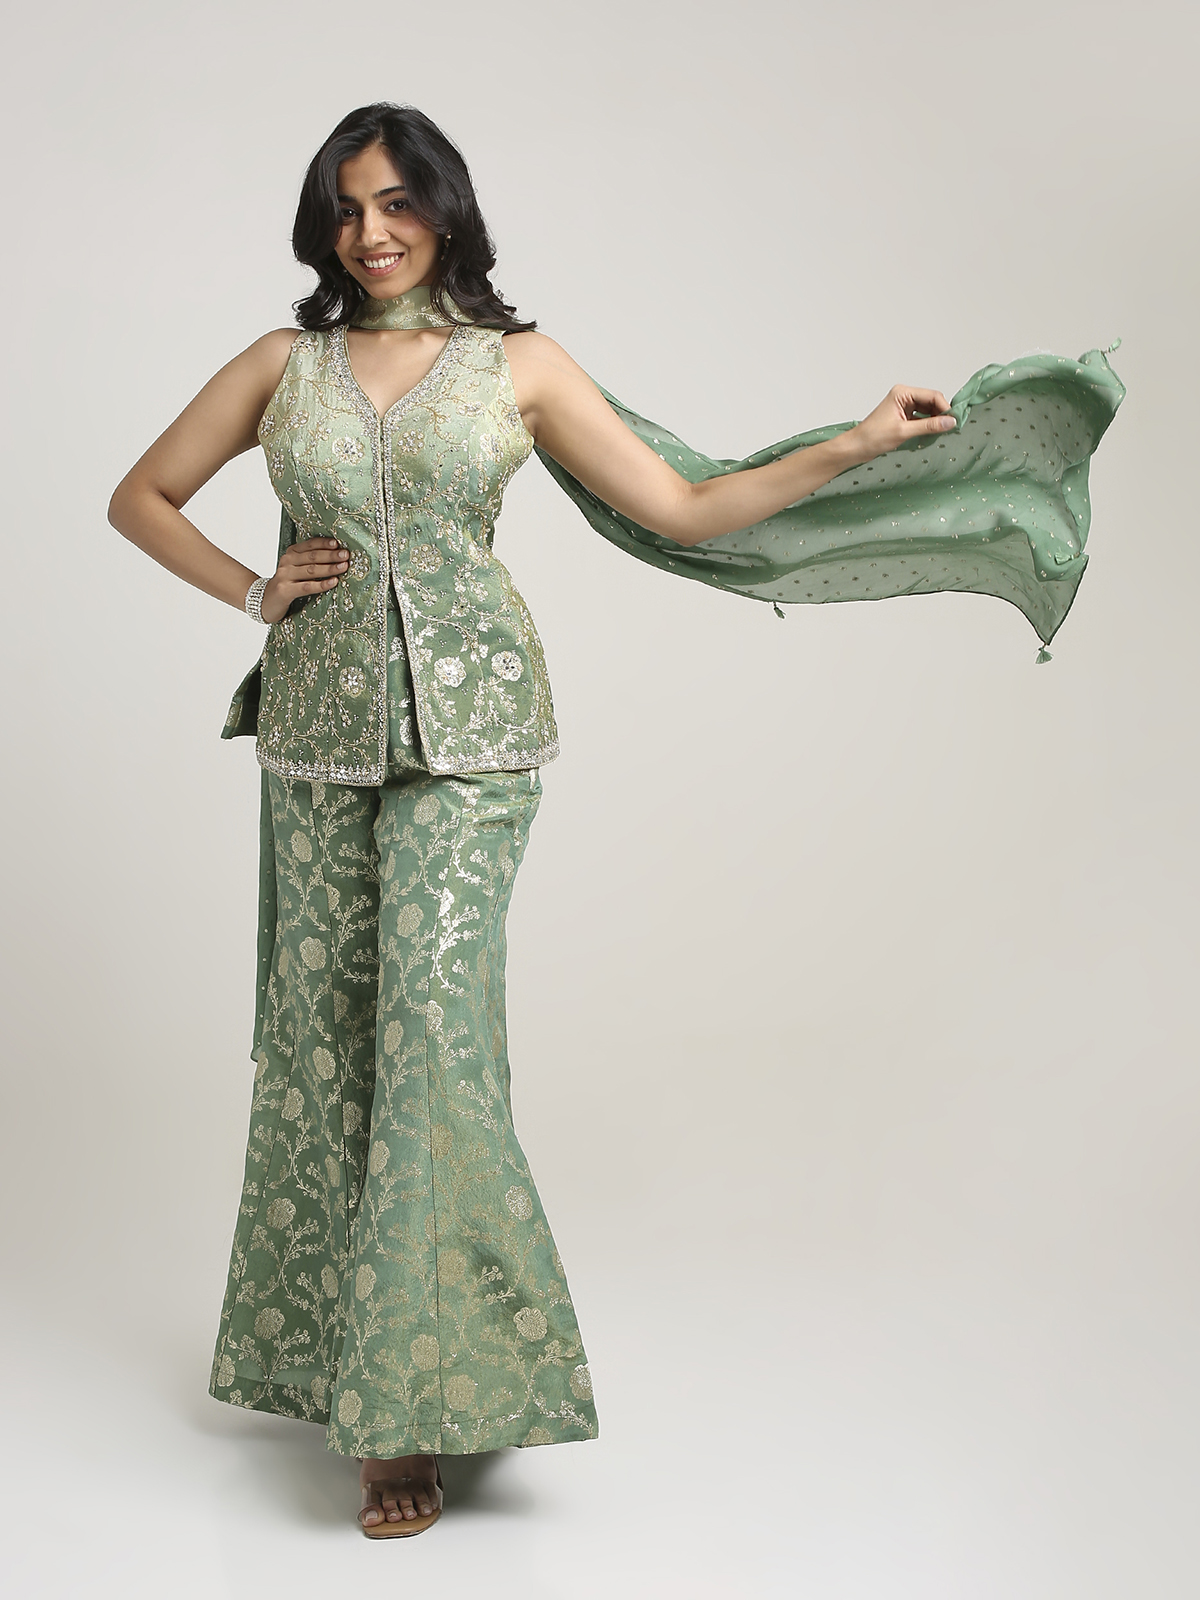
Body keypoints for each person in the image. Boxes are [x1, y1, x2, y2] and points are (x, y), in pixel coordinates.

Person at [107, 99, 965, 1540]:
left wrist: (853, 443)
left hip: (476, 740)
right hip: (316, 742)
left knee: (431, 1037)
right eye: (346, 208)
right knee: (324, 1041)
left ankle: (422, 1406)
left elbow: (686, 507)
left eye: (396, 202)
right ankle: (335, 1369)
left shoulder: (520, 364)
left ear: (445, 208)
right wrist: (254, 590)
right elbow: (140, 496)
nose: (371, 232)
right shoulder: (280, 366)